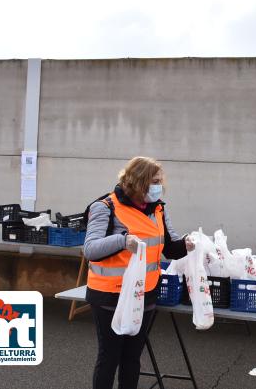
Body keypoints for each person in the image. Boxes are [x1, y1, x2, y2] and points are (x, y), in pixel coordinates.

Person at [83, 156, 194, 389]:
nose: (158, 186)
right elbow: (91, 249)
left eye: (160, 181)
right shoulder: (106, 207)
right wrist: (122, 241)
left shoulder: (158, 209)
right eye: (154, 181)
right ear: (138, 181)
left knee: (132, 358)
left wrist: (189, 244)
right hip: (109, 297)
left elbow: (170, 248)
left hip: (145, 294)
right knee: (109, 357)